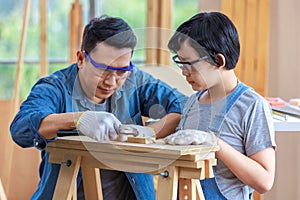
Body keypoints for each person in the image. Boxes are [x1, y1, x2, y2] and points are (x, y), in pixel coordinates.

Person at [10, 16, 187, 200]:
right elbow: (20, 128)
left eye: (121, 71)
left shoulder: (135, 81)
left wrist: (149, 132)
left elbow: (184, 104)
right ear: (81, 59)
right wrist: (78, 119)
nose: (111, 82)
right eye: (103, 69)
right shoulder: (55, 87)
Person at [164, 12, 276, 200]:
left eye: (189, 64)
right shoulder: (193, 102)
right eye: (180, 62)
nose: (184, 72)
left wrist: (215, 143)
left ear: (219, 61)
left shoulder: (251, 106)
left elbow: (264, 181)